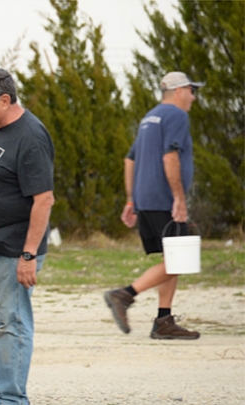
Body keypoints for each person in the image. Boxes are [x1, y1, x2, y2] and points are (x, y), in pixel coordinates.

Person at [0, 67, 55, 405]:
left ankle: (12, 399)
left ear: (5, 99)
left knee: (12, 325)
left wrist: (29, 255)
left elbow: (43, 199)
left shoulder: (30, 137)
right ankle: (1, 390)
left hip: (14, 250)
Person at [104, 71, 203, 340]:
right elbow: (171, 157)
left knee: (169, 258)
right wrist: (179, 199)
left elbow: (129, 159)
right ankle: (125, 295)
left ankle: (163, 321)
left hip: (146, 200)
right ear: (179, 90)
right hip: (164, 200)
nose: (193, 97)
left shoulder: (149, 117)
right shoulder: (177, 116)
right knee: (178, 259)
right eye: (191, 91)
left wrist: (130, 199)